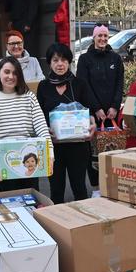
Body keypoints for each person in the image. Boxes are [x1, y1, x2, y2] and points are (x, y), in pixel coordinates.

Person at [36, 43, 98, 204]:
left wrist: (92, 123)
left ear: (69, 62)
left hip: (78, 146)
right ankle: (58, 225)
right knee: (56, 190)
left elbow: (90, 109)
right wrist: (44, 129)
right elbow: (39, 115)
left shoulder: (79, 84)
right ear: (49, 63)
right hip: (53, 146)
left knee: (80, 189)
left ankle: (83, 225)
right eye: (55, 60)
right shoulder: (43, 86)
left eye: (64, 60)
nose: (60, 64)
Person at [0, 56, 52, 192]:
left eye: (15, 73)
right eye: (6, 72)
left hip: (30, 159)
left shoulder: (29, 97)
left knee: (32, 201)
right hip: (4, 160)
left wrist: (50, 155)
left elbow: (42, 127)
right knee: (10, 204)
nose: (11, 76)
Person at [76, 23, 124, 188]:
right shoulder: (84, 59)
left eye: (105, 36)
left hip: (112, 114)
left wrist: (115, 106)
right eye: (99, 36)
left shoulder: (115, 58)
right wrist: (96, 108)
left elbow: (120, 84)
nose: (103, 39)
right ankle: (96, 186)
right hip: (93, 115)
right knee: (94, 152)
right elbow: (84, 86)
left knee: (113, 149)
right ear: (93, 38)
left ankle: (114, 185)